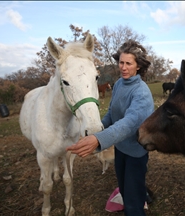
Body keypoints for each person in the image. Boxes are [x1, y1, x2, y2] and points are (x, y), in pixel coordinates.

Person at [66, 39, 154, 216]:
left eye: (129, 63)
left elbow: (129, 123)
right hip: (120, 148)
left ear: (138, 66)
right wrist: (96, 131)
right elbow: (111, 115)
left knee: (132, 201)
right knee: (124, 188)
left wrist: (99, 140)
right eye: (121, 62)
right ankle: (139, 194)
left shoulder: (141, 93)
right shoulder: (120, 84)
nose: (123, 67)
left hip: (136, 153)